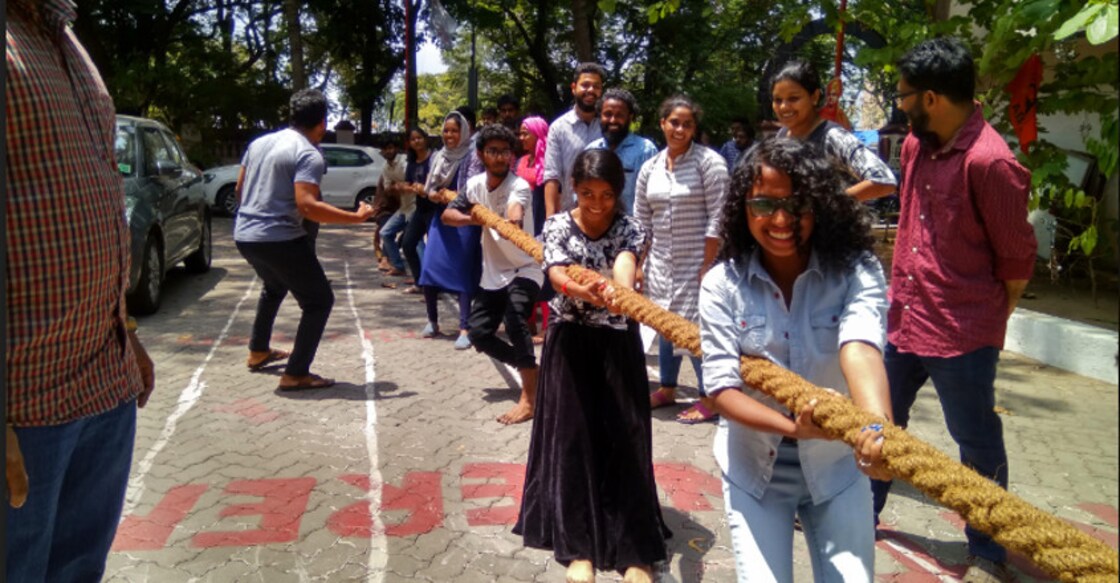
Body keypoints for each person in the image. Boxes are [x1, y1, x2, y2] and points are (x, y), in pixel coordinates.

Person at [871, 37, 1037, 583]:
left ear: (933, 98)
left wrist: (987, 321)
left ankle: (988, 550)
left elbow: (1015, 262)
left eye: (904, 97)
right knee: (880, 422)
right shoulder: (919, 146)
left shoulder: (992, 163)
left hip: (963, 333)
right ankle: (861, 511)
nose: (899, 106)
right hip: (905, 318)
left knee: (976, 440)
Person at [6, 2, 156, 579]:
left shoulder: (66, 40)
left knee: (78, 569)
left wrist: (128, 333)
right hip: (25, 403)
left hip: (104, 382)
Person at [699, 137, 893, 582]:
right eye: (763, 204)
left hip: (837, 466)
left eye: (796, 204)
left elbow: (861, 346)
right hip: (755, 470)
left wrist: (877, 428)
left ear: (820, 205)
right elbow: (720, 388)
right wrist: (793, 427)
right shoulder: (721, 285)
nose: (781, 219)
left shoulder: (856, 269)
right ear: (742, 208)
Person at [514, 149, 667, 583]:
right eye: (586, 193)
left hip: (619, 343)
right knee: (573, 439)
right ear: (573, 191)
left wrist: (621, 292)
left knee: (628, 437)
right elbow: (559, 276)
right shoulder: (558, 224)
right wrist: (590, 291)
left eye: (606, 194)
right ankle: (577, 545)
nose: (597, 204)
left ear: (618, 193)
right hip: (571, 343)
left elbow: (625, 264)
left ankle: (635, 550)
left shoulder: (630, 227)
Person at [235, 89, 375, 390]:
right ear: (322, 123)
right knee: (319, 301)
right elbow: (308, 205)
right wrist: (357, 217)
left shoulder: (259, 143)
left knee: (273, 287)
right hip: (280, 238)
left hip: (245, 235)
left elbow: (239, 189)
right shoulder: (308, 152)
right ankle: (296, 372)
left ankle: (258, 350)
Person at [637, 95, 729, 424]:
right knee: (665, 326)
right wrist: (638, 264)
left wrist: (708, 265)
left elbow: (718, 217)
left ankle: (710, 397)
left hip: (699, 262)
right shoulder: (650, 168)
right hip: (660, 262)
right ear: (662, 123)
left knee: (697, 331)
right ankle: (668, 388)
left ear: (694, 128)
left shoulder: (710, 163)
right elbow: (642, 221)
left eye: (687, 124)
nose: (679, 129)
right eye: (674, 122)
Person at [443, 124, 543, 424]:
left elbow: (515, 211)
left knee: (515, 320)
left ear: (512, 156)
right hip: (494, 270)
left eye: (504, 152)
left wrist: (509, 221)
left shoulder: (519, 186)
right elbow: (449, 215)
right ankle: (531, 369)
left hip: (526, 266)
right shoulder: (474, 185)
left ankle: (530, 398)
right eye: (493, 151)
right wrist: (477, 220)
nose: (499, 157)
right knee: (479, 334)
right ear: (481, 154)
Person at [770, 60, 897, 202]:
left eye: (793, 98)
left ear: (815, 97)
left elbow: (884, 180)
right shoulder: (781, 136)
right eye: (777, 100)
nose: (783, 107)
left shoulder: (833, 137)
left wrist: (829, 205)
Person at [417, 111, 484, 350]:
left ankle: (464, 327)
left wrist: (450, 197)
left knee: (463, 273)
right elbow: (430, 188)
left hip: (464, 220)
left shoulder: (472, 157)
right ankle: (432, 321)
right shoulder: (439, 156)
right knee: (429, 269)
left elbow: (472, 191)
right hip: (440, 220)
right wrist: (435, 194)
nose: (449, 135)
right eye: (446, 131)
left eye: (454, 130)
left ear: (464, 132)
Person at [543, 62, 605, 217]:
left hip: (604, 215)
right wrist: (550, 220)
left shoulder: (608, 126)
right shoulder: (559, 128)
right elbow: (552, 176)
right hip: (570, 216)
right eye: (585, 85)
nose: (591, 90)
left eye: (596, 86)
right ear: (573, 88)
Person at [584, 88, 659, 215]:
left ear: (630, 117)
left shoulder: (646, 150)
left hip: (634, 230)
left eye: (619, 115)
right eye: (607, 114)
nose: (613, 120)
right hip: (596, 228)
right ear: (600, 116)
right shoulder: (591, 150)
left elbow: (655, 197)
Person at [516, 115, 554, 344]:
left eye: (525, 133)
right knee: (526, 270)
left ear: (538, 133)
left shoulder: (548, 161)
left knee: (545, 273)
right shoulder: (521, 161)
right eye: (520, 133)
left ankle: (547, 326)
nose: (521, 137)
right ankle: (528, 320)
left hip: (541, 217)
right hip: (524, 220)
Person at [399, 128, 434, 291]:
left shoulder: (434, 158)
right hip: (420, 209)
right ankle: (419, 282)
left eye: (419, 138)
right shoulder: (412, 162)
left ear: (425, 139)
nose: (416, 141)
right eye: (413, 139)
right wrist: (404, 187)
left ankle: (435, 286)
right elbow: (408, 182)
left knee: (434, 249)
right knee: (407, 244)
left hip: (435, 209)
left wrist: (425, 188)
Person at [374, 137, 408, 275]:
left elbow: (411, 184)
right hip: (393, 208)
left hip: (414, 206)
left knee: (413, 241)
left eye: (390, 147)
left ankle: (425, 275)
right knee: (386, 232)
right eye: (385, 149)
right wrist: (398, 186)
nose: (388, 151)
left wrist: (401, 186)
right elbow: (389, 189)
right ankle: (395, 264)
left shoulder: (404, 161)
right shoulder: (386, 168)